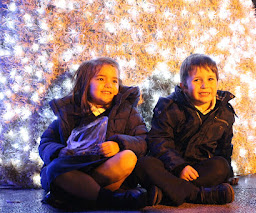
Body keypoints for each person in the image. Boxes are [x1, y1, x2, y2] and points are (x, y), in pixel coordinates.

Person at [38, 57, 148, 210]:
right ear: (85, 83)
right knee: (54, 169)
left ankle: (75, 194)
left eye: (114, 81)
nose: (109, 84)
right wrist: (59, 151)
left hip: (106, 167)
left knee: (128, 157)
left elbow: (143, 140)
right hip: (74, 168)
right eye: (101, 79)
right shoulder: (69, 112)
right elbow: (46, 142)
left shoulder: (127, 112)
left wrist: (119, 144)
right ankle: (108, 199)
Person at [135, 53, 238, 206]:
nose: (205, 86)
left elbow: (224, 147)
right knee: (144, 164)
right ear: (183, 86)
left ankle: (166, 193)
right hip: (170, 166)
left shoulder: (224, 111)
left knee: (220, 165)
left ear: (217, 83)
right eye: (197, 80)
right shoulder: (169, 107)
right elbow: (159, 141)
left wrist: (227, 174)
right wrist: (179, 167)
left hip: (200, 169)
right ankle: (197, 195)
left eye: (210, 79)